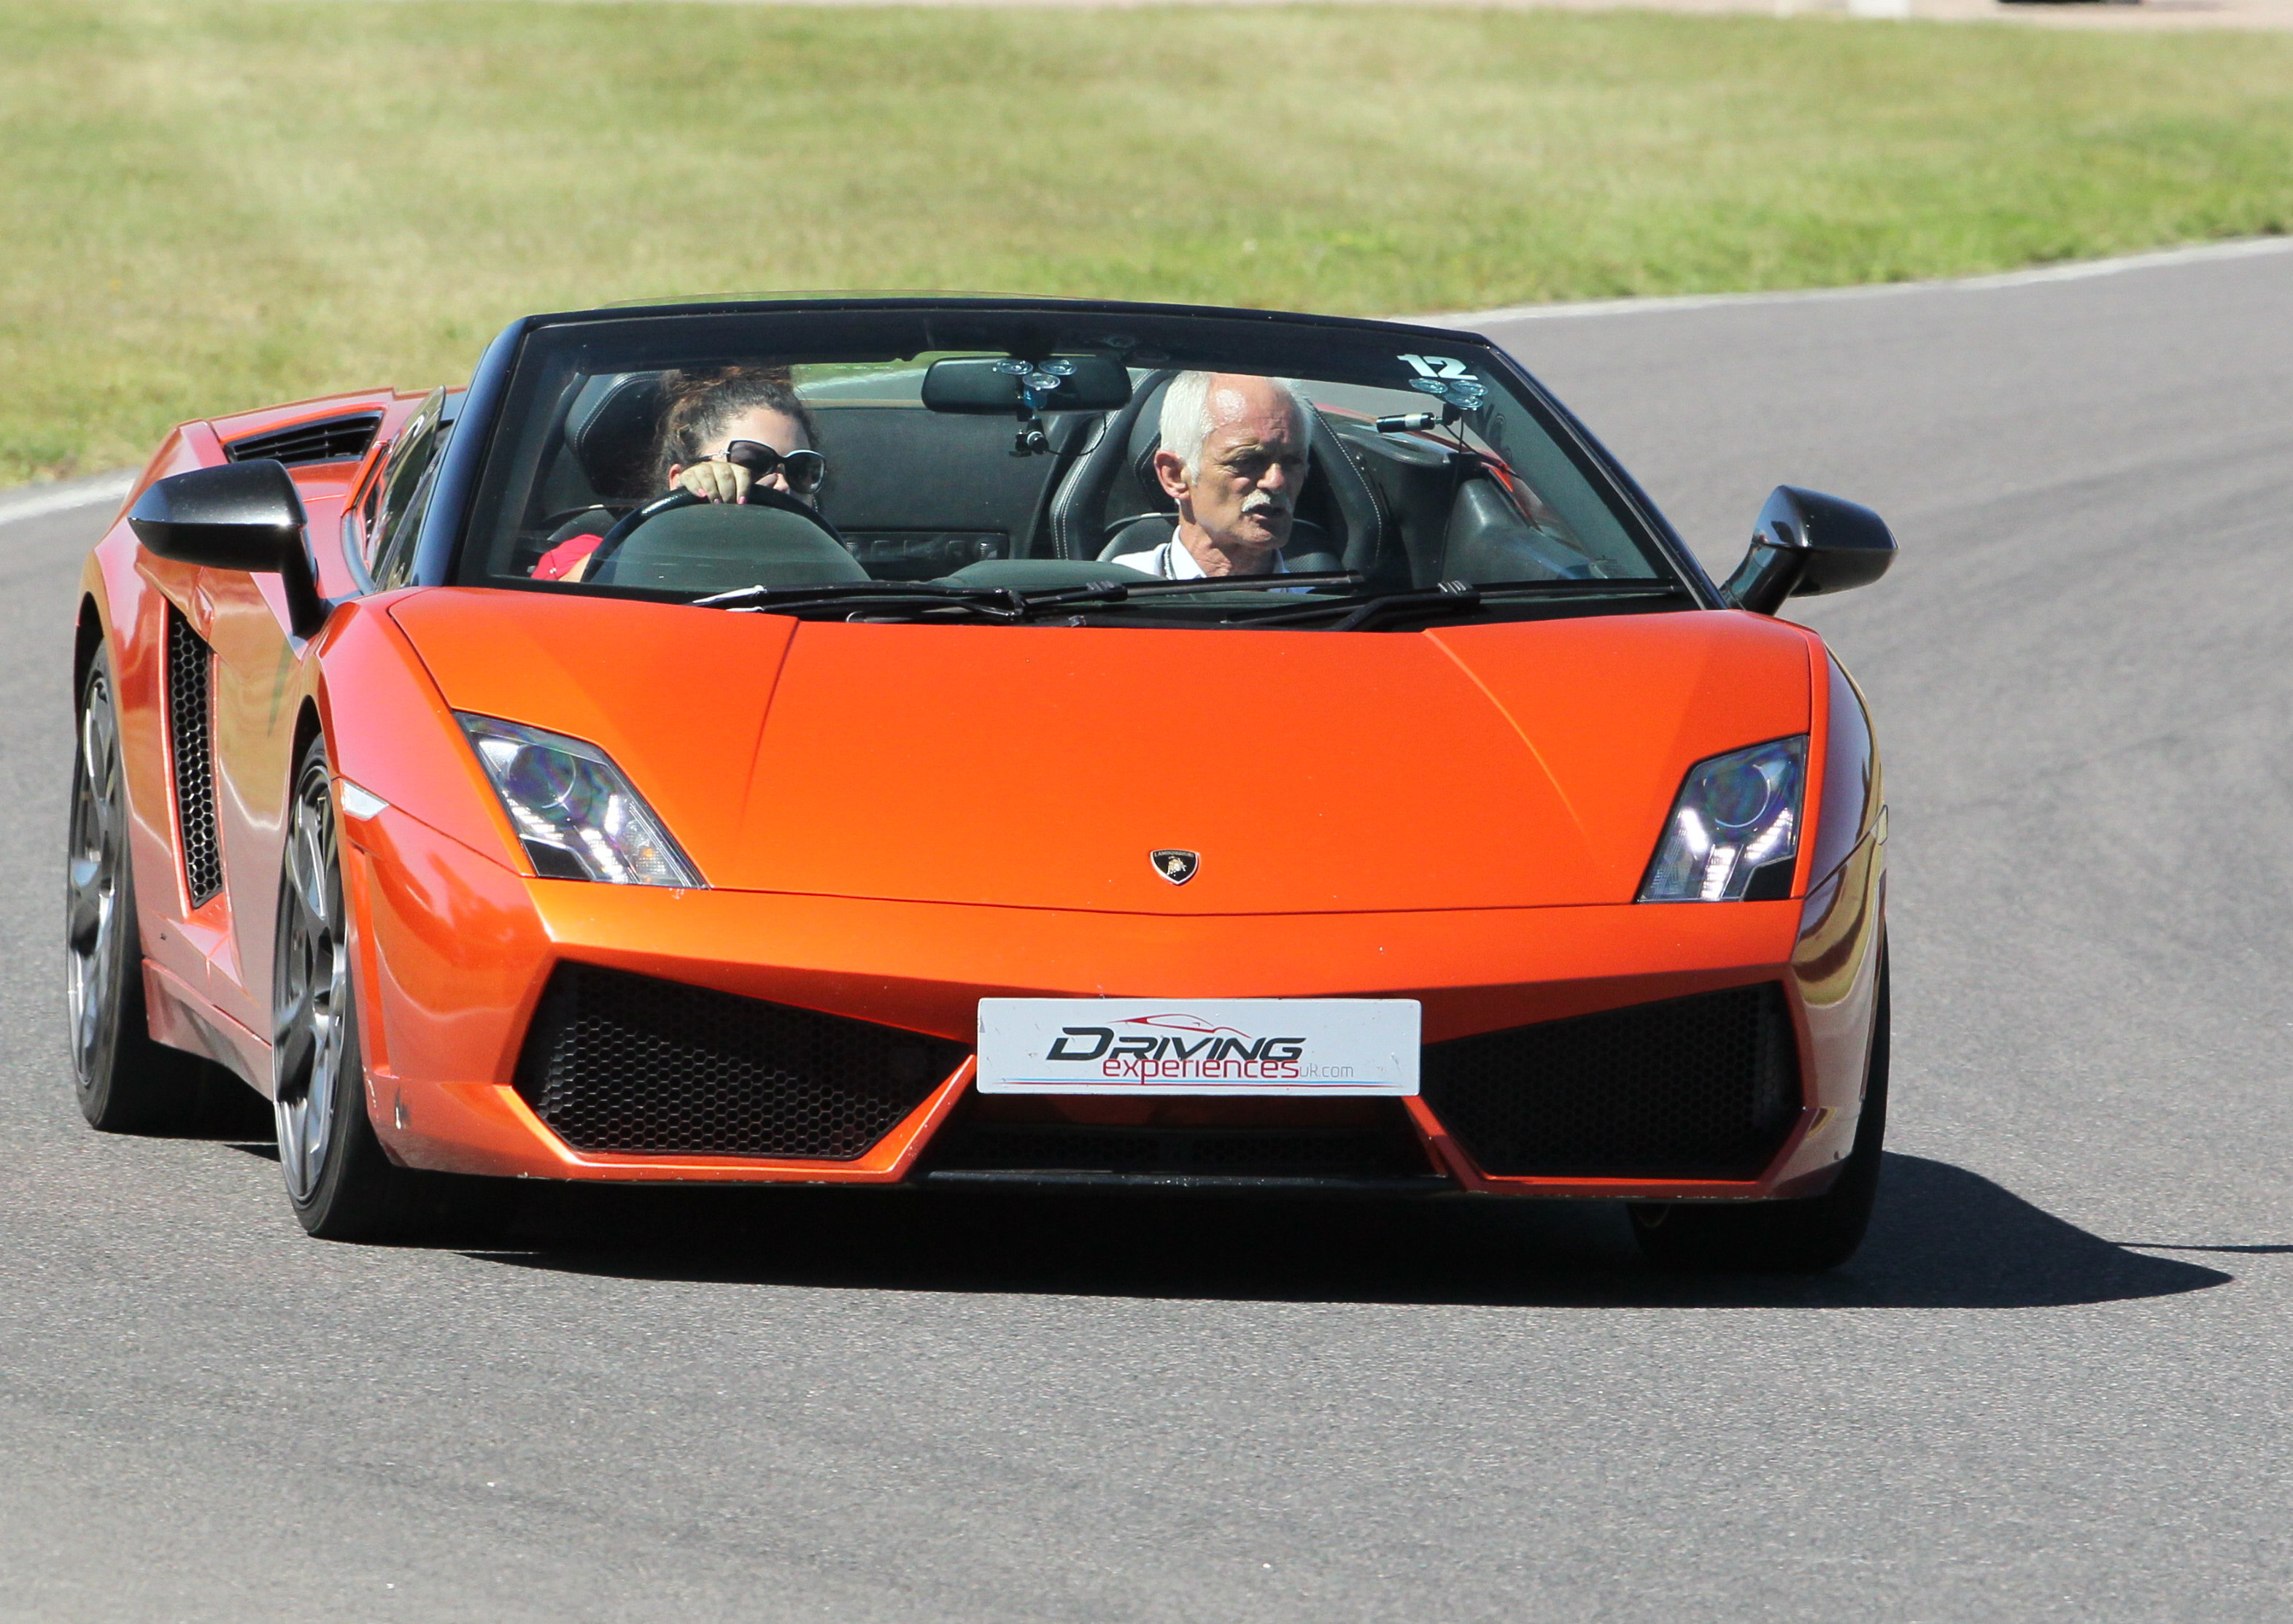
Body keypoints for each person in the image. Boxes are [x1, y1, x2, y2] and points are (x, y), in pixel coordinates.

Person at [533, 366, 826, 581]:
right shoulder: (595, 553)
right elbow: (555, 610)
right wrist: (681, 516)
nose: (782, 485)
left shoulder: (830, 566)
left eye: (801, 469)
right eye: (751, 463)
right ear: (678, 479)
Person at [1111, 371, 1313, 580]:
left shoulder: (1322, 597)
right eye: (1246, 461)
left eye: (1293, 462)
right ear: (1175, 476)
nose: (1276, 481)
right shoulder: (1115, 588)